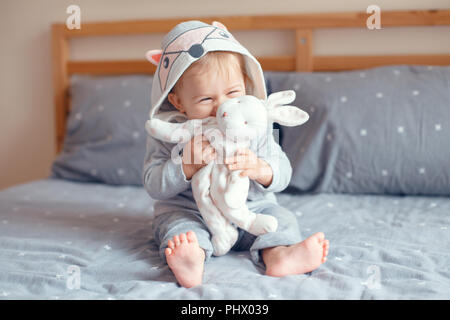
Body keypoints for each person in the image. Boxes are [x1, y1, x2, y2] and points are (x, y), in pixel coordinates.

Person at [143, 20, 329, 288]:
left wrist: (260, 169)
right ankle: (191, 258)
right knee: (178, 230)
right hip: (191, 212)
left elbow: (283, 171)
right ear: (178, 102)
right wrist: (185, 166)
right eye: (206, 100)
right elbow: (153, 183)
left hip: (251, 210)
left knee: (281, 219)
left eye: (232, 93)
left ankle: (279, 255)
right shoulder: (169, 131)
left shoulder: (255, 125)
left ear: (246, 84)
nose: (223, 108)